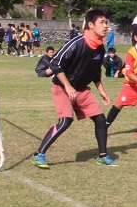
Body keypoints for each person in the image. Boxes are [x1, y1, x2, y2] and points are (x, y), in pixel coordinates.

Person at [30, 9, 116, 169]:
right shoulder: (76, 42)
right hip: (62, 87)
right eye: (102, 23)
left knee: (100, 120)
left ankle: (103, 155)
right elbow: (55, 64)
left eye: (106, 23)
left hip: (82, 90)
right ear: (90, 25)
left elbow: (95, 72)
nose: (106, 26)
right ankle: (39, 154)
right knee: (65, 121)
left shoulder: (99, 48)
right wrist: (68, 86)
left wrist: (101, 90)